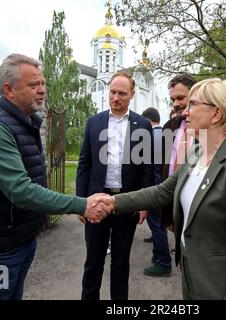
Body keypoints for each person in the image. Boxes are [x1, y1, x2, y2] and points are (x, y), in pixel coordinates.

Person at [97, 78, 226, 299]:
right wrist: (112, 202)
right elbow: (162, 192)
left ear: (216, 114)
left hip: (221, 286)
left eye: (193, 105)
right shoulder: (196, 154)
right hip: (192, 280)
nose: (185, 112)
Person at [0, 53, 108, 300]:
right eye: (33, 85)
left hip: (20, 240)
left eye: (43, 84)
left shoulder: (26, 121)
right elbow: (21, 190)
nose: (42, 90)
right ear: (8, 89)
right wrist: (81, 205)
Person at [76, 71, 154, 300]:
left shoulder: (142, 125)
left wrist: (144, 203)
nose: (116, 97)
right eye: (112, 92)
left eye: (122, 93)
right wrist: (81, 202)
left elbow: (147, 167)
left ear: (132, 94)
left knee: (121, 262)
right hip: (96, 202)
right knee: (93, 262)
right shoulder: (94, 122)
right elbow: (84, 164)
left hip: (126, 204)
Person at [161, 74, 197, 254]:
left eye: (181, 98)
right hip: (174, 208)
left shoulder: (214, 130)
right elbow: (164, 170)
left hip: (201, 213)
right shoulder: (169, 127)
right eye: (173, 99)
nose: (175, 104)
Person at [141, 107, 172, 277]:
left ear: (147, 121)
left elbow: (149, 168)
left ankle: (163, 261)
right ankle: (157, 250)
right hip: (166, 185)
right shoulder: (167, 135)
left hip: (155, 188)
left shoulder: (150, 137)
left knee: (156, 224)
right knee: (159, 223)